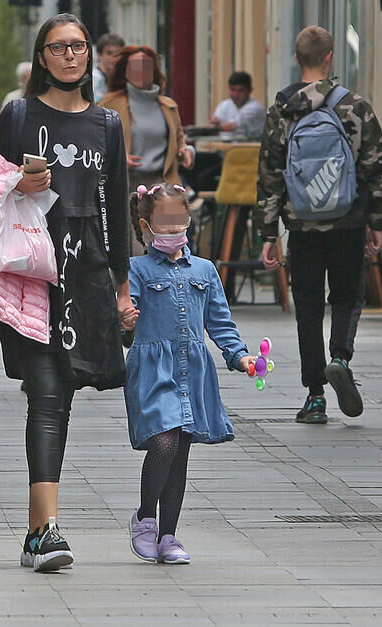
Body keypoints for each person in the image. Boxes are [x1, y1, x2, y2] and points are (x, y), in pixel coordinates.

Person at [0, 13, 133, 572]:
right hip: (31, 270)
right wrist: (18, 181)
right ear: (41, 56)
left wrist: (122, 289)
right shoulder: (20, 116)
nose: (70, 55)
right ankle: (46, 530)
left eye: (79, 46)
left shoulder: (107, 125)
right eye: (58, 47)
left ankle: (34, 532)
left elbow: (116, 208)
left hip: (86, 273)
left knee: (62, 394)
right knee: (46, 391)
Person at [255, 26, 382, 424]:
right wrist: (376, 222)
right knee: (347, 297)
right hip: (348, 221)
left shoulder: (283, 108)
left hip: (302, 225)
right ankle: (341, 359)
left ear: (298, 60)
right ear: (331, 57)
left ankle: (315, 395)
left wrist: (268, 233)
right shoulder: (355, 106)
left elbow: (269, 172)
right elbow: (376, 168)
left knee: (308, 307)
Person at [122, 182, 253, 564]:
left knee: (180, 452)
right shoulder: (137, 269)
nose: (172, 230)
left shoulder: (205, 270)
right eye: (164, 224)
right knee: (163, 442)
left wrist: (239, 356)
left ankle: (169, 536)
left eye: (179, 221)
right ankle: (146, 516)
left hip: (192, 370)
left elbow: (220, 322)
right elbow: (125, 319)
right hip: (152, 370)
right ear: (146, 226)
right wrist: (126, 320)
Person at [99, 45, 195, 253]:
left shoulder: (168, 106)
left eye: (146, 67)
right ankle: (130, 286)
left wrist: (186, 152)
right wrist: (117, 157)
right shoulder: (110, 104)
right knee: (134, 246)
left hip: (163, 185)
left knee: (169, 246)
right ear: (125, 71)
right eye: (134, 66)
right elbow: (95, 144)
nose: (141, 72)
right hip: (126, 185)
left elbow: (180, 140)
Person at [211, 71, 266, 140]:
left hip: (253, 148)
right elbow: (215, 121)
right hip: (230, 148)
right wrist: (214, 123)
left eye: (240, 91)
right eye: (232, 90)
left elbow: (232, 126)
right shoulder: (224, 105)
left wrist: (212, 128)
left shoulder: (255, 107)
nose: (236, 94)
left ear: (250, 91)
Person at [92, 32, 124, 103]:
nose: (114, 58)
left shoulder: (121, 78)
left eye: (118, 53)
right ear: (99, 55)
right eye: (109, 53)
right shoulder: (93, 80)